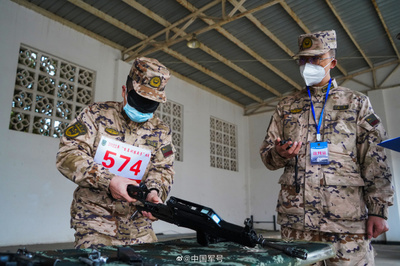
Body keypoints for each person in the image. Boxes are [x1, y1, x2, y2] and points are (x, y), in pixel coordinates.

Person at [259, 30, 394, 265]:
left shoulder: (356, 103)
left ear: (332, 62)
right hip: (297, 223)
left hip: (346, 220)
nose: (308, 65)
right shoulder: (286, 106)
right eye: (303, 60)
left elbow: (375, 159)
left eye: (315, 59)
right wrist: (278, 154)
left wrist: (378, 210)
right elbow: (267, 156)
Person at [56, 57, 175, 249]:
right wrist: (109, 180)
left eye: (151, 103)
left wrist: (154, 192)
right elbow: (68, 154)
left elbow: (163, 169)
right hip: (96, 223)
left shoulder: (162, 132)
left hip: (140, 227)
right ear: (124, 91)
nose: (144, 108)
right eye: (140, 100)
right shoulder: (95, 114)